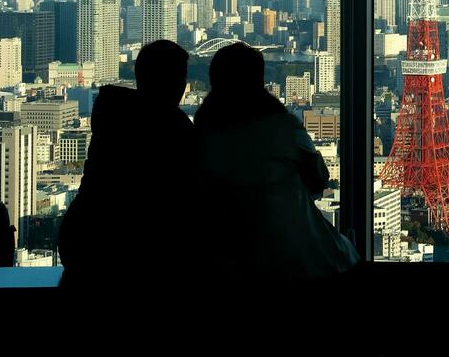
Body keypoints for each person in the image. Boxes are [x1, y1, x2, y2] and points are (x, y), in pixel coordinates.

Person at [194, 42, 358, 282]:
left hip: (226, 261)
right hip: (300, 258)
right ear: (258, 81)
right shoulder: (284, 127)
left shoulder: (202, 136)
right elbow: (319, 178)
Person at [58, 39, 196, 288]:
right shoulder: (173, 127)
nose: (182, 85)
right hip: (137, 257)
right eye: (179, 76)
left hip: (84, 241)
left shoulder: (113, 112)